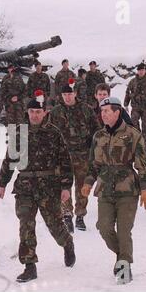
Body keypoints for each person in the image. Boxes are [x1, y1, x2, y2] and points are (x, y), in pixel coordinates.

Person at [0, 98, 76, 283]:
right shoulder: (19, 132)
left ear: (45, 113)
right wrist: (3, 183)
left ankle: (67, 243)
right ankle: (29, 265)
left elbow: (65, 161)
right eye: (32, 111)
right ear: (28, 112)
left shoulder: (54, 133)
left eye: (38, 112)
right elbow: (9, 160)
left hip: (49, 186)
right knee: (26, 224)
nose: (34, 115)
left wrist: (66, 186)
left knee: (54, 225)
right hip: (25, 186)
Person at [82, 97, 146, 284]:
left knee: (123, 231)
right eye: (101, 111)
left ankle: (124, 266)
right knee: (104, 228)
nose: (102, 114)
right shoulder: (98, 136)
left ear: (117, 112)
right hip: (105, 189)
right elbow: (94, 164)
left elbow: (143, 165)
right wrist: (88, 182)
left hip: (127, 190)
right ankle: (122, 254)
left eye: (106, 111)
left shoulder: (132, 134)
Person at [49, 85, 101, 232]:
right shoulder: (55, 112)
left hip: (82, 155)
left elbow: (96, 130)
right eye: (64, 94)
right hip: (62, 156)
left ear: (75, 93)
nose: (67, 97)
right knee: (64, 185)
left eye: (70, 94)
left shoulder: (86, 109)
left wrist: (92, 143)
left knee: (82, 186)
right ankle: (66, 215)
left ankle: (80, 215)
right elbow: (49, 131)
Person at [124, 63, 146, 143]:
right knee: (133, 121)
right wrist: (126, 103)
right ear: (137, 71)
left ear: (145, 70)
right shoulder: (132, 81)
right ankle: (138, 137)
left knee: (145, 124)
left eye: (142, 70)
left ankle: (144, 139)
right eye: (139, 70)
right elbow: (128, 92)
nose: (141, 72)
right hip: (135, 106)